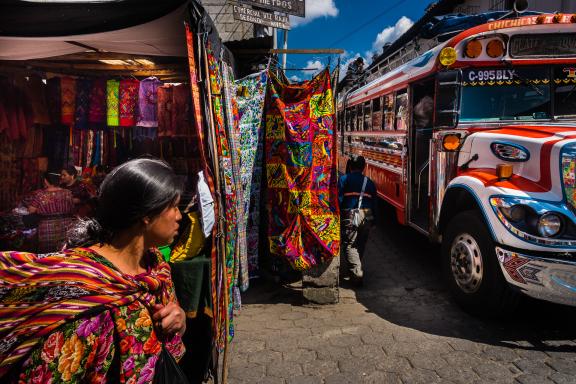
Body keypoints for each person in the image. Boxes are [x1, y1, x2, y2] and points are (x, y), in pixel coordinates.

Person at [0, 158, 187, 383]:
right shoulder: (82, 295)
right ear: (147, 214)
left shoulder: (155, 267)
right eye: (173, 207)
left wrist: (180, 319)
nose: (179, 216)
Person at [338, 155, 377, 285]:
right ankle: (356, 266)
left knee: (350, 244)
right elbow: (375, 204)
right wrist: (375, 222)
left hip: (351, 214)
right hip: (367, 215)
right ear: (364, 167)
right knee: (361, 243)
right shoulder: (369, 182)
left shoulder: (344, 179)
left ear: (349, 166)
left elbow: (338, 199)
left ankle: (356, 272)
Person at [26, 172, 75, 253]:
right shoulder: (68, 193)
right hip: (66, 226)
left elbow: (31, 210)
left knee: (47, 253)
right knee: (64, 251)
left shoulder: (40, 194)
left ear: (46, 181)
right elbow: (72, 208)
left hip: (47, 228)